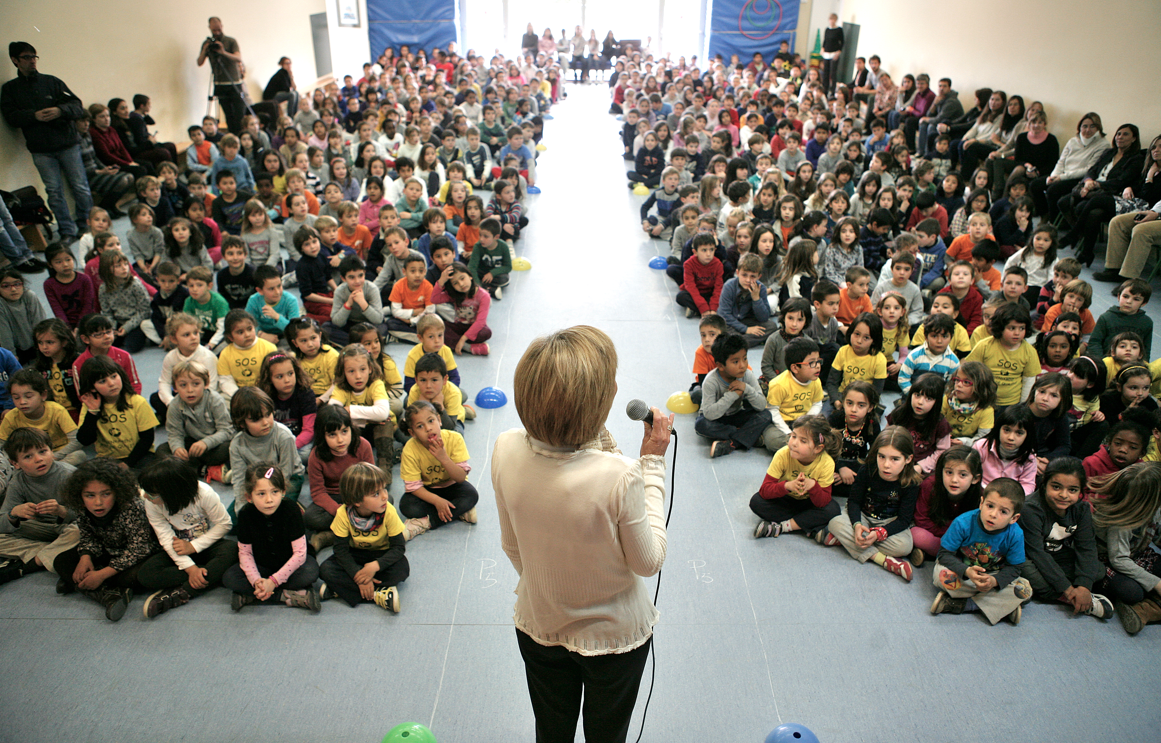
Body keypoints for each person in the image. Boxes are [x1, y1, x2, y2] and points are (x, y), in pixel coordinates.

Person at [492, 326, 672, 743]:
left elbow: (511, 546)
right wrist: (652, 466)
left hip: (539, 624)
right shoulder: (620, 474)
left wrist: (555, 590)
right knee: (607, 735)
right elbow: (649, 562)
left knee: (551, 731)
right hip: (615, 640)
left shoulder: (505, 446)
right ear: (596, 402)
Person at [1, 42, 92, 246]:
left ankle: (86, 225)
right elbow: (11, 117)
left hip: (68, 144)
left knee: (81, 187)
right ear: (15, 60)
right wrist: (33, 116)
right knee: (54, 192)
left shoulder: (52, 82)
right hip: (41, 150)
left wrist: (60, 111)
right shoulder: (10, 90)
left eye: (34, 56)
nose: (32, 61)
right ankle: (67, 231)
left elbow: (76, 106)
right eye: (26, 57)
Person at [197, 17, 246, 137]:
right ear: (209, 28)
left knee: (239, 114)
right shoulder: (208, 44)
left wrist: (223, 52)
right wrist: (205, 49)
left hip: (234, 82)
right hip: (219, 84)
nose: (217, 32)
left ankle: (241, 136)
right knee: (228, 115)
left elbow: (238, 58)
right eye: (214, 30)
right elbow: (199, 62)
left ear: (222, 26)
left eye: (218, 29)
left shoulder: (230, 41)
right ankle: (233, 136)